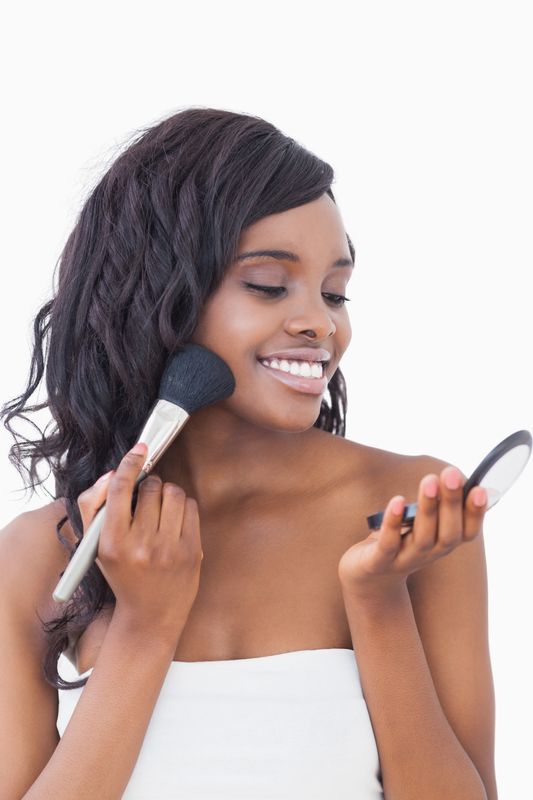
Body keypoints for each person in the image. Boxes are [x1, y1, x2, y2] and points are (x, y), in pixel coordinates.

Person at [0, 107, 497, 799]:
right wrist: (144, 627)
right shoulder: (42, 555)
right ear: (156, 291)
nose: (319, 323)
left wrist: (378, 599)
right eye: (267, 284)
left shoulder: (407, 511)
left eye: (335, 292)